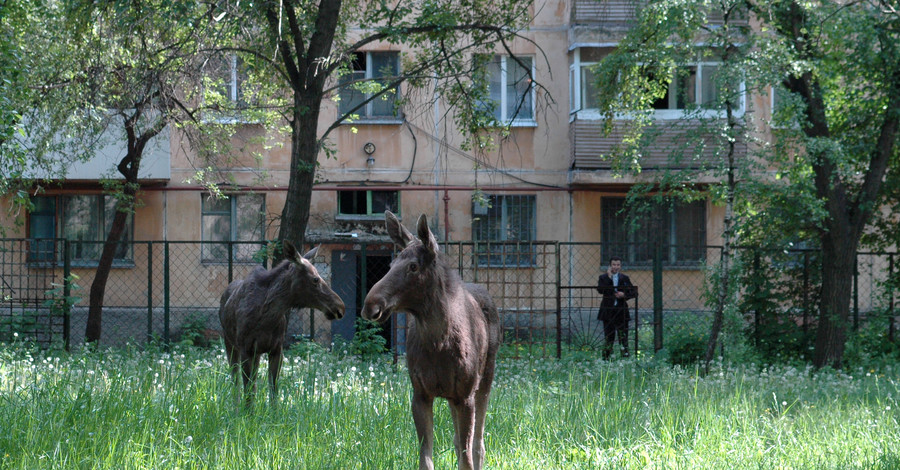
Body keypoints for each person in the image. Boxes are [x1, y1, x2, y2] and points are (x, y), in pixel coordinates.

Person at [596, 256, 637, 359]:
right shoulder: (603, 278)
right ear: (610, 266)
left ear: (621, 266)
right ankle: (606, 358)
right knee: (609, 336)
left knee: (623, 336)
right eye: (614, 264)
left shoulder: (624, 278)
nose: (616, 267)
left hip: (621, 311)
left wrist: (624, 295)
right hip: (608, 311)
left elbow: (634, 292)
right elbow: (601, 290)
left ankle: (625, 357)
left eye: (618, 265)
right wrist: (609, 278)